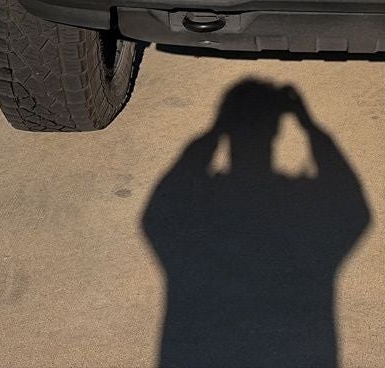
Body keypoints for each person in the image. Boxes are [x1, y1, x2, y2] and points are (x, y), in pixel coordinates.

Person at [142, 79, 371, 368]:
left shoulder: (203, 210)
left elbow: (161, 207)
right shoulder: (300, 208)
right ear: (276, 131)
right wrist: (309, 126)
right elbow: (353, 208)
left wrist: (215, 131)